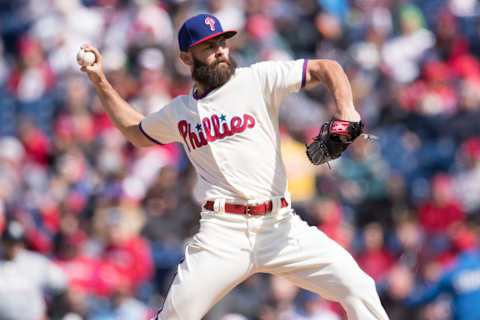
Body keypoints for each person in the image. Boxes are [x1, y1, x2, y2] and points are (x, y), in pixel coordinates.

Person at [80, 13, 389, 320]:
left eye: (222, 42)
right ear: (186, 57)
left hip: (281, 226)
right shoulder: (181, 112)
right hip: (224, 233)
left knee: (358, 287)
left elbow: (326, 67)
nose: (219, 50)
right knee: (175, 315)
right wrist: (100, 81)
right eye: (208, 46)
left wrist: (346, 108)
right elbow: (136, 131)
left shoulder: (257, 79)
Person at [0, 221, 68, 320]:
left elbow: (62, 284)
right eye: (10, 242)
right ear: (3, 242)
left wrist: (53, 313)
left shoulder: (36, 262)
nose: (13, 247)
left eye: (17, 243)